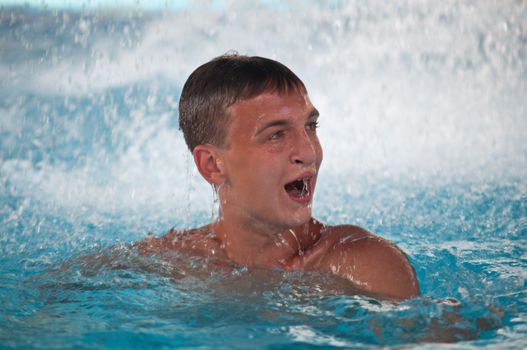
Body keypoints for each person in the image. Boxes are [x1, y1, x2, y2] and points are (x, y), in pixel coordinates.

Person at [135, 53, 420, 301]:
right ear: (212, 165)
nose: (308, 153)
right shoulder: (172, 258)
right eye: (276, 134)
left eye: (311, 126)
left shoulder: (362, 264)